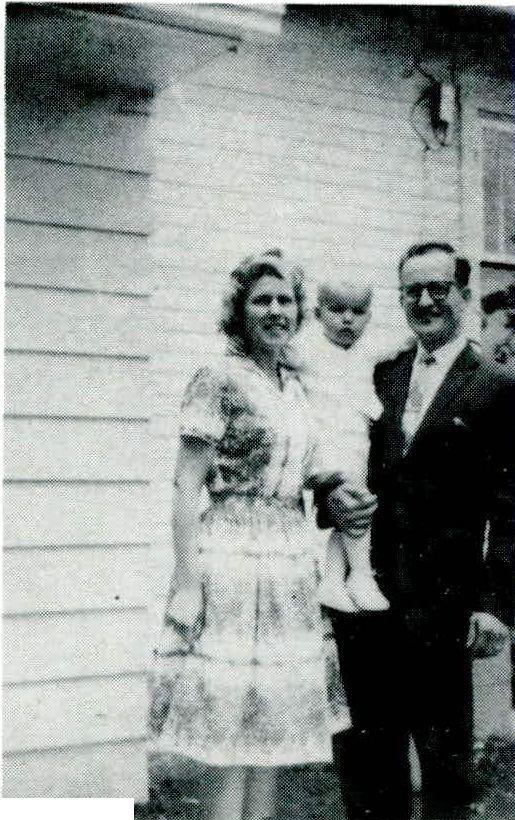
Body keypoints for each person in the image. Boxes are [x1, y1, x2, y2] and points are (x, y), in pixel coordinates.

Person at [321, 242, 515, 820]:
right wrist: (329, 503)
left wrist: (495, 605)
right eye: (411, 290)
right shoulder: (382, 375)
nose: (424, 301)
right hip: (366, 605)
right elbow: (339, 456)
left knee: (445, 768)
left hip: (444, 606)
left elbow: (513, 507)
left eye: (437, 289)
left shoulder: (500, 387)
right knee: (368, 763)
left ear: (463, 296)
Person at [149, 250, 349, 820]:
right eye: (262, 300)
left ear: (300, 310)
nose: (275, 311)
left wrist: (338, 492)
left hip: (288, 560)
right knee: (230, 724)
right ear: (239, 310)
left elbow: (302, 472)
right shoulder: (217, 378)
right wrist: (187, 583)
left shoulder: (296, 385)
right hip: (230, 558)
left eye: (286, 300)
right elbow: (186, 486)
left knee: (271, 728)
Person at [294, 279, 389, 612]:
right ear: (318, 314)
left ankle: (334, 580)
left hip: (356, 444)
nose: (348, 319)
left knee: (346, 516)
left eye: (357, 312)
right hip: (328, 446)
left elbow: (399, 346)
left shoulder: (367, 351)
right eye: (337, 310)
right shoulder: (307, 349)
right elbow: (278, 353)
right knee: (356, 507)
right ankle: (361, 575)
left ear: (368, 316)